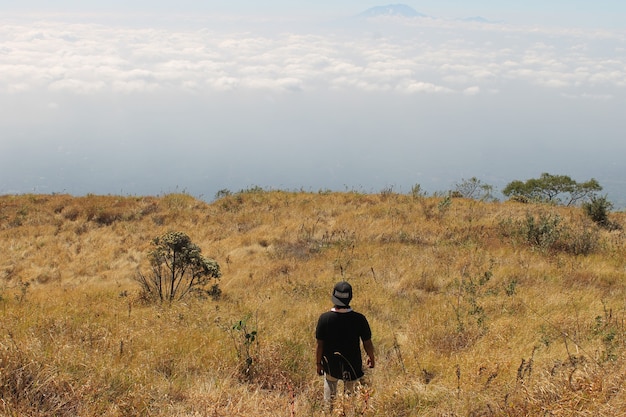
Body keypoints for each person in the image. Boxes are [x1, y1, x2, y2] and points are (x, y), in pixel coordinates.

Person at [315, 281, 375, 407]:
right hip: (352, 364)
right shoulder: (359, 319)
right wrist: (371, 357)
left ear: (333, 296)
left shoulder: (324, 318)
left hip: (330, 364)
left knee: (330, 397)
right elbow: (367, 342)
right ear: (350, 297)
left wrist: (318, 363)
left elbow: (320, 345)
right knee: (349, 397)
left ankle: (330, 413)